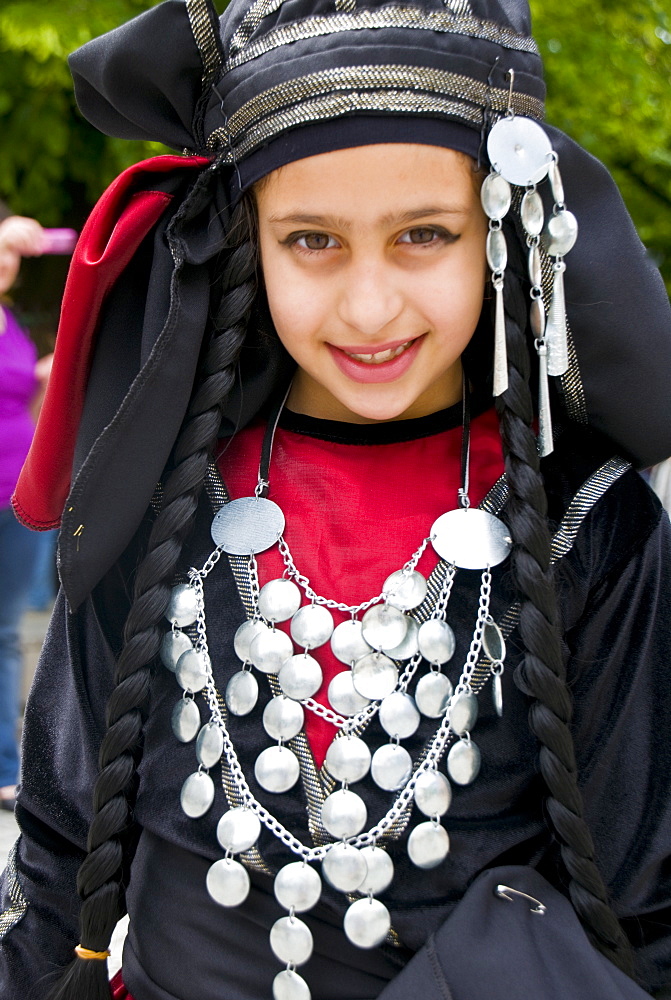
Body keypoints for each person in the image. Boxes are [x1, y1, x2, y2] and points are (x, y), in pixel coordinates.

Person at [2, 1, 671, 999]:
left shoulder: (587, 519)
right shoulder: (163, 490)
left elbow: (645, 916)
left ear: (497, 234)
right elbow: (58, 853)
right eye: (311, 239)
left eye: (423, 235)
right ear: (247, 244)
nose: (367, 306)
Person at [0, 214, 47, 812]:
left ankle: (5, 769)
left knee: (7, 634)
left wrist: (40, 378)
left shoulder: (10, 321)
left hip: (14, 494)